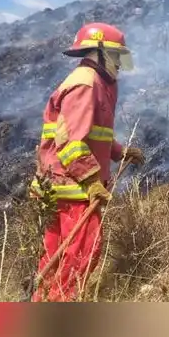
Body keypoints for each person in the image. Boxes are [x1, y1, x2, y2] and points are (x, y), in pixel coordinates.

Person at [29, 22, 145, 302]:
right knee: (81, 252)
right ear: (100, 51)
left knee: (57, 254)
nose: (119, 63)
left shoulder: (93, 81)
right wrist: (92, 182)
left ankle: (44, 301)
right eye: (116, 56)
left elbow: (91, 133)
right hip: (73, 187)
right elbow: (70, 145)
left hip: (60, 184)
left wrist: (119, 151)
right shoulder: (86, 84)